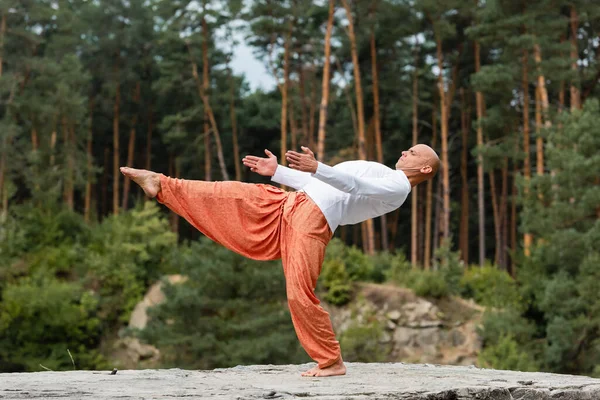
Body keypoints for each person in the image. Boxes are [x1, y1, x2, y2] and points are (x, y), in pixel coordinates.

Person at [120, 144, 439, 377]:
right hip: (293, 203)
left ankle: (331, 361)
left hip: (312, 220)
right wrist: (279, 173)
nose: (405, 152)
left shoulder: (398, 186)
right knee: (229, 194)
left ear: (424, 169)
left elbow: (351, 185)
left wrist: (316, 167)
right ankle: (161, 184)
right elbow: (325, 186)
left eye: (414, 153)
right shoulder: (386, 173)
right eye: (408, 149)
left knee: (299, 293)